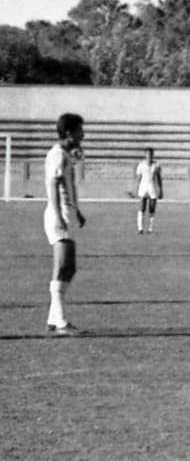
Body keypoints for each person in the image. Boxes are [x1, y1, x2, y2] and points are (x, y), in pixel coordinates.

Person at [44, 113, 86, 336]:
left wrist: (76, 211)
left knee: (68, 267)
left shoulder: (65, 155)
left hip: (66, 214)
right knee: (63, 267)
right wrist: (59, 215)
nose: (83, 134)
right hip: (58, 216)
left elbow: (66, 186)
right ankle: (60, 322)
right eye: (80, 130)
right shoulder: (58, 155)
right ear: (69, 133)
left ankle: (54, 317)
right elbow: (53, 183)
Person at [134, 147, 163, 234]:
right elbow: (138, 178)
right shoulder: (141, 165)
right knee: (142, 207)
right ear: (145, 155)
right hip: (143, 186)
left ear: (152, 155)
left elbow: (158, 178)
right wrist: (136, 188)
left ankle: (150, 228)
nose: (149, 156)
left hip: (152, 186)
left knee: (152, 207)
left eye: (150, 154)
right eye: (147, 154)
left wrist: (160, 189)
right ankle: (140, 228)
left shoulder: (156, 165)